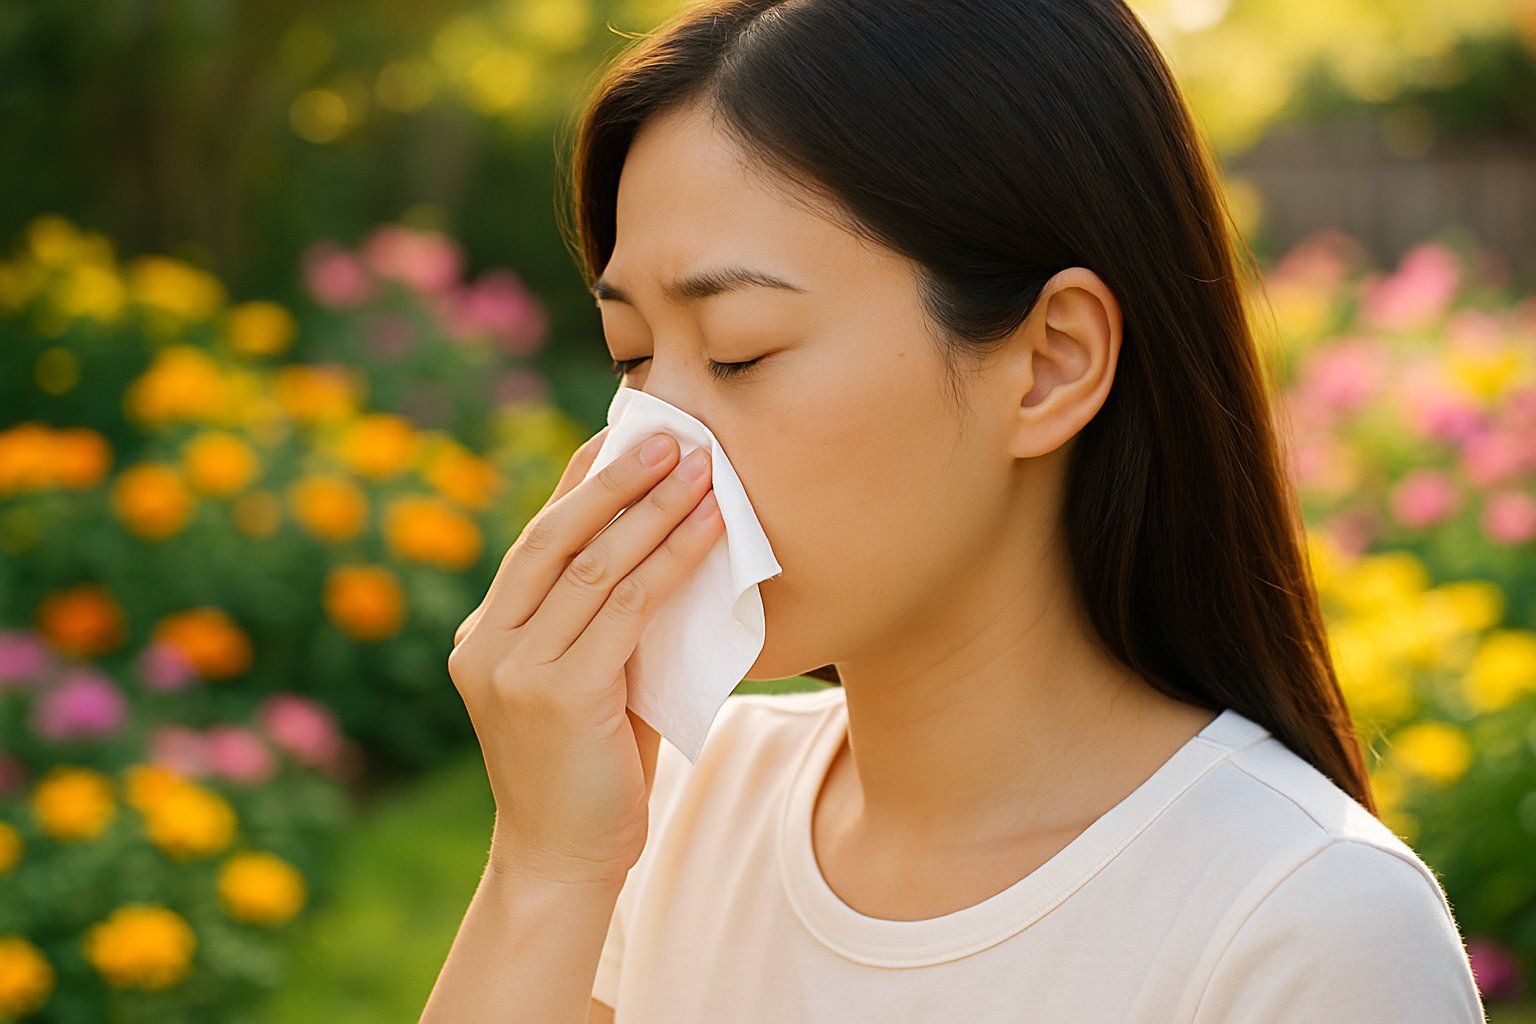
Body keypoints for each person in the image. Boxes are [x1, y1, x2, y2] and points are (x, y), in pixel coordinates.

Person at [421, 1, 1489, 1021]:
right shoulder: (678, 809)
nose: (652, 444)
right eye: (633, 358)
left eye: (739, 350)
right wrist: (544, 868)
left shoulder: (1305, 927)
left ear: (1048, 365)